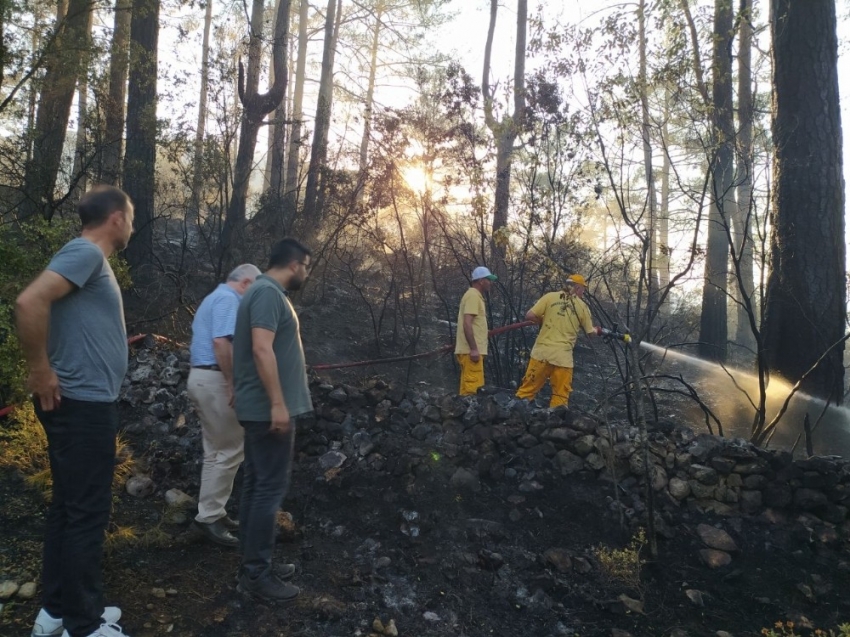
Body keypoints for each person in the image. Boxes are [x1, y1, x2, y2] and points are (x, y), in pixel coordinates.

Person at [16, 186, 134, 637]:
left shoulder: (86, 259)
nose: (133, 225)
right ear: (116, 219)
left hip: (81, 403)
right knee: (86, 514)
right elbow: (29, 301)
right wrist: (40, 369)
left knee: (68, 509)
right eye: (132, 217)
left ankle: (56, 612)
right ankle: (83, 626)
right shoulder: (85, 252)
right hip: (82, 406)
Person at [231, 238, 313, 603]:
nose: (306, 274)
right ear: (295, 264)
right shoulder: (266, 293)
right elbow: (260, 348)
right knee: (267, 490)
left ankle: (252, 563)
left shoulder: (264, 293)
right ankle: (256, 575)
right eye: (306, 267)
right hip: (268, 410)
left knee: (255, 485)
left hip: (261, 407)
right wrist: (278, 404)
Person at [188, 263, 261, 547]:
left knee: (217, 450)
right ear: (245, 282)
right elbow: (221, 342)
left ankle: (213, 513)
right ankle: (208, 519)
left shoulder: (214, 297)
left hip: (205, 378)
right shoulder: (229, 299)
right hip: (216, 379)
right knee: (229, 450)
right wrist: (233, 382)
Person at [516, 274, 600, 408]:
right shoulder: (582, 307)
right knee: (560, 397)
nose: (583, 292)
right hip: (563, 358)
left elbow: (529, 316)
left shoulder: (550, 297)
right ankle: (555, 425)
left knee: (527, 391)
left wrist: (542, 320)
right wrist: (597, 330)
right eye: (583, 289)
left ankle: (514, 418)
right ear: (577, 288)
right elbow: (590, 333)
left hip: (541, 354)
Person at [454, 266, 497, 396]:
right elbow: (467, 323)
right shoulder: (473, 296)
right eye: (488, 279)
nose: (491, 283)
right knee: (472, 392)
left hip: (470, 351)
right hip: (471, 352)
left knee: (468, 390)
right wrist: (473, 349)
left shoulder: (474, 296)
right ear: (481, 281)